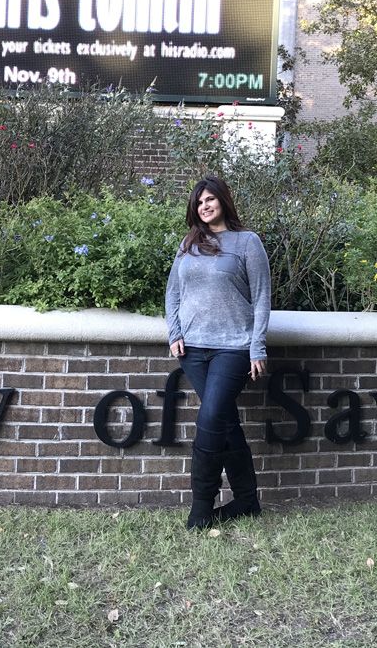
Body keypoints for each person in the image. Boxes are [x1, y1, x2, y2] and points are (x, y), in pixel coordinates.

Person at [165, 175, 271, 529]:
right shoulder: (188, 243)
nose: (204, 206)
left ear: (223, 200)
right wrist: (174, 332)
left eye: (209, 199)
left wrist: (257, 347)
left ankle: (201, 509)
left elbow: (261, 297)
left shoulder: (247, 242)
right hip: (192, 349)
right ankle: (247, 500)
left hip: (233, 347)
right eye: (199, 202)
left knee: (211, 418)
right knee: (225, 422)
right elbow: (173, 293)